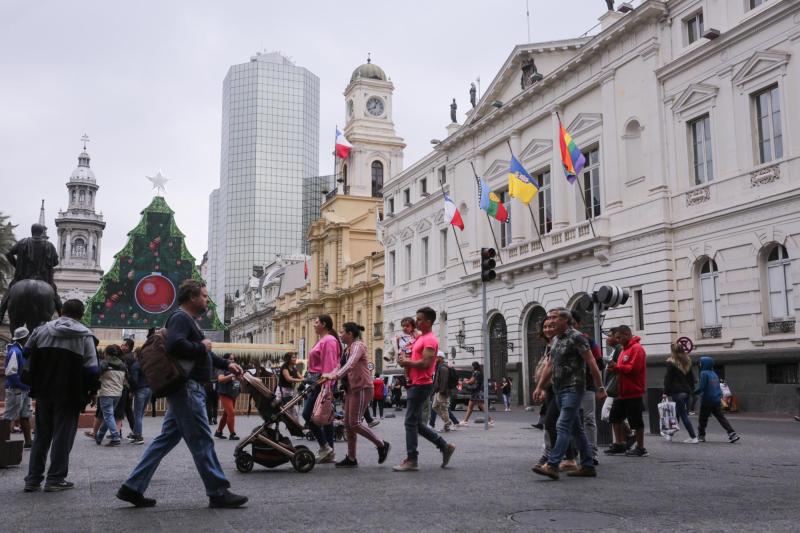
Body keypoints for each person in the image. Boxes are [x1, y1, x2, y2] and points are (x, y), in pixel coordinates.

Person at [117, 279, 248, 509]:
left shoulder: (187, 320)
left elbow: (201, 354)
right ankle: (218, 491)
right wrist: (202, 346)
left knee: (165, 440)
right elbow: (175, 346)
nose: (207, 300)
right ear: (192, 297)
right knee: (202, 439)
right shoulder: (181, 318)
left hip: (185, 389)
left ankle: (132, 487)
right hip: (187, 389)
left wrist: (226, 364)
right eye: (204, 296)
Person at [24, 299, 99, 492]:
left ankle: (33, 479)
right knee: (62, 436)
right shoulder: (86, 335)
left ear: (61, 311)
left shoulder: (41, 330)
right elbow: (92, 368)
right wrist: (92, 391)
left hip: (43, 391)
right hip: (70, 393)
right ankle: (55, 479)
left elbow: (26, 353)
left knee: (41, 435)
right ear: (81, 315)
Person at [532, 308, 606, 480]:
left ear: (565, 320)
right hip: (558, 389)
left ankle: (552, 465)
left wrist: (600, 387)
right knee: (576, 429)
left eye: (554, 318)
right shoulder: (556, 339)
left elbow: (592, 362)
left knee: (562, 425)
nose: (550, 321)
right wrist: (539, 387)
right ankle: (587, 465)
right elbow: (549, 365)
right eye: (549, 317)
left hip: (574, 388)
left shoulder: (577, 337)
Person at [393, 307, 455, 471]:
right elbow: (415, 356)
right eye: (417, 318)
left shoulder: (430, 340)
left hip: (421, 384)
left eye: (420, 319)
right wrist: (404, 357)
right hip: (416, 383)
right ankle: (445, 446)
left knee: (409, 422)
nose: (417, 321)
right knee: (417, 424)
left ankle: (412, 459)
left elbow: (426, 363)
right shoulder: (421, 337)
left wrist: (407, 362)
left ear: (429, 321)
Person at [322, 322, 390, 468]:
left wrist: (335, 376)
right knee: (348, 424)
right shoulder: (347, 349)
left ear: (350, 334)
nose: (340, 335)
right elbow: (340, 366)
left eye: (342, 332)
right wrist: (329, 374)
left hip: (362, 387)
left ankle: (381, 444)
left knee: (354, 423)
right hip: (352, 389)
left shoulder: (358, 346)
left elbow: (351, 364)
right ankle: (351, 458)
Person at [0, 223, 61, 319]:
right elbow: (56, 262)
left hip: (22, 277)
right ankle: (62, 315)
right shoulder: (49, 245)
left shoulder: (23, 242)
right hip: (43, 279)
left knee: (7, 295)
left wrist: (17, 266)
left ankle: (1, 314)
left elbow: (8, 254)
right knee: (55, 296)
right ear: (42, 232)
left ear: (32, 231)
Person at [303, 314, 341, 463]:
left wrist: (327, 386)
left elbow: (330, 364)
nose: (314, 324)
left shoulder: (328, 340)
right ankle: (329, 451)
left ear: (324, 324)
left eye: (316, 322)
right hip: (318, 382)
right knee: (326, 417)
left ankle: (325, 446)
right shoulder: (323, 340)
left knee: (308, 414)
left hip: (322, 383)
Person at [606, 325, 648, 457]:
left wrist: (617, 367)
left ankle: (641, 447)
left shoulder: (637, 349)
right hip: (622, 391)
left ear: (626, 334)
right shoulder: (624, 349)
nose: (617, 340)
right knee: (614, 417)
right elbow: (623, 368)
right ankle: (619, 444)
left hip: (633, 391)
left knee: (636, 420)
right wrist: (614, 368)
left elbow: (634, 369)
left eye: (619, 337)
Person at [695, 356, 740, 443]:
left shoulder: (703, 373)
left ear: (705, 364)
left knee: (702, 419)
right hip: (716, 399)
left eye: (701, 362)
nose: (700, 364)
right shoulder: (714, 373)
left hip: (707, 400)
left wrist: (693, 392)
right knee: (721, 418)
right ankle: (732, 433)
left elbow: (702, 387)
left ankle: (701, 436)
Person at [663, 343, 698, 443]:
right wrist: (691, 391)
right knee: (677, 413)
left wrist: (665, 392)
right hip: (686, 392)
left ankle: (693, 437)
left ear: (673, 352)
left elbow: (668, 379)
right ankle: (670, 435)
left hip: (677, 392)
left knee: (683, 415)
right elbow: (691, 379)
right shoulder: (687, 361)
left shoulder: (671, 363)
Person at [4, 327, 33, 448]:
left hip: (23, 388)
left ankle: (29, 442)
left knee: (25, 415)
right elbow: (11, 373)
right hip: (16, 389)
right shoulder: (15, 352)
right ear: (24, 338)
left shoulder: (20, 351)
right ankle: (4, 442)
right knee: (9, 417)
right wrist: (22, 385)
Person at [95, 345, 127, 446]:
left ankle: (115, 437)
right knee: (109, 415)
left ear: (106, 353)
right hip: (118, 393)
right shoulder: (122, 364)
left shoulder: (104, 363)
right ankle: (99, 437)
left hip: (106, 392)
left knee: (108, 415)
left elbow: (96, 375)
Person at [214, 353, 241, 440]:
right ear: (225, 359)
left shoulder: (236, 369)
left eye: (233, 359)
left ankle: (218, 432)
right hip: (225, 394)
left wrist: (240, 376)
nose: (232, 360)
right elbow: (220, 379)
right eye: (230, 359)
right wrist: (231, 376)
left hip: (233, 394)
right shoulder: (222, 368)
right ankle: (232, 434)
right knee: (231, 413)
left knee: (226, 414)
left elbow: (240, 379)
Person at [128, 346, 151, 444]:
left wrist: (132, 391)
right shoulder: (148, 364)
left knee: (137, 414)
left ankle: (138, 436)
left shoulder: (136, 365)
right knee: (140, 414)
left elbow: (134, 380)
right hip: (149, 389)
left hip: (140, 390)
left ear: (136, 354)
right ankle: (135, 433)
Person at [459, 361, 494, 426]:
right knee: (472, 407)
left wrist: (465, 381)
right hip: (479, 391)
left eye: (472, 366)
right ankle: (465, 421)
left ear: (474, 366)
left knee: (479, 406)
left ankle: (490, 420)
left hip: (475, 392)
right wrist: (468, 381)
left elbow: (471, 381)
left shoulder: (476, 372)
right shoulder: (480, 373)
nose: (472, 367)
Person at [431, 353, 454, 432]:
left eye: (436, 357)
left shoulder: (443, 368)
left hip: (442, 391)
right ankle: (447, 421)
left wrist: (442, 391)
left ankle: (447, 425)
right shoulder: (439, 367)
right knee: (434, 406)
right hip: (438, 390)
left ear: (440, 358)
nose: (435, 359)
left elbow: (444, 381)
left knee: (443, 408)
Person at [277, 352, 304, 420]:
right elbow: (289, 379)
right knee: (276, 409)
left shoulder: (294, 368)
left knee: (293, 410)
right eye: (293, 357)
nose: (295, 359)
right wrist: (301, 380)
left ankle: (295, 424)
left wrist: (307, 379)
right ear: (288, 359)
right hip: (282, 391)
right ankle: (268, 424)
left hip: (290, 391)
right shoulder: (284, 367)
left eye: (295, 357)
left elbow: (301, 377)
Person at [120, 338, 137, 439]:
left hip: (125, 388)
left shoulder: (126, 358)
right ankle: (135, 432)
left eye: (123, 345)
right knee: (128, 410)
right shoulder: (131, 356)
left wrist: (131, 390)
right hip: (128, 388)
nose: (121, 346)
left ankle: (118, 432)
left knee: (122, 410)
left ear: (128, 347)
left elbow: (130, 375)